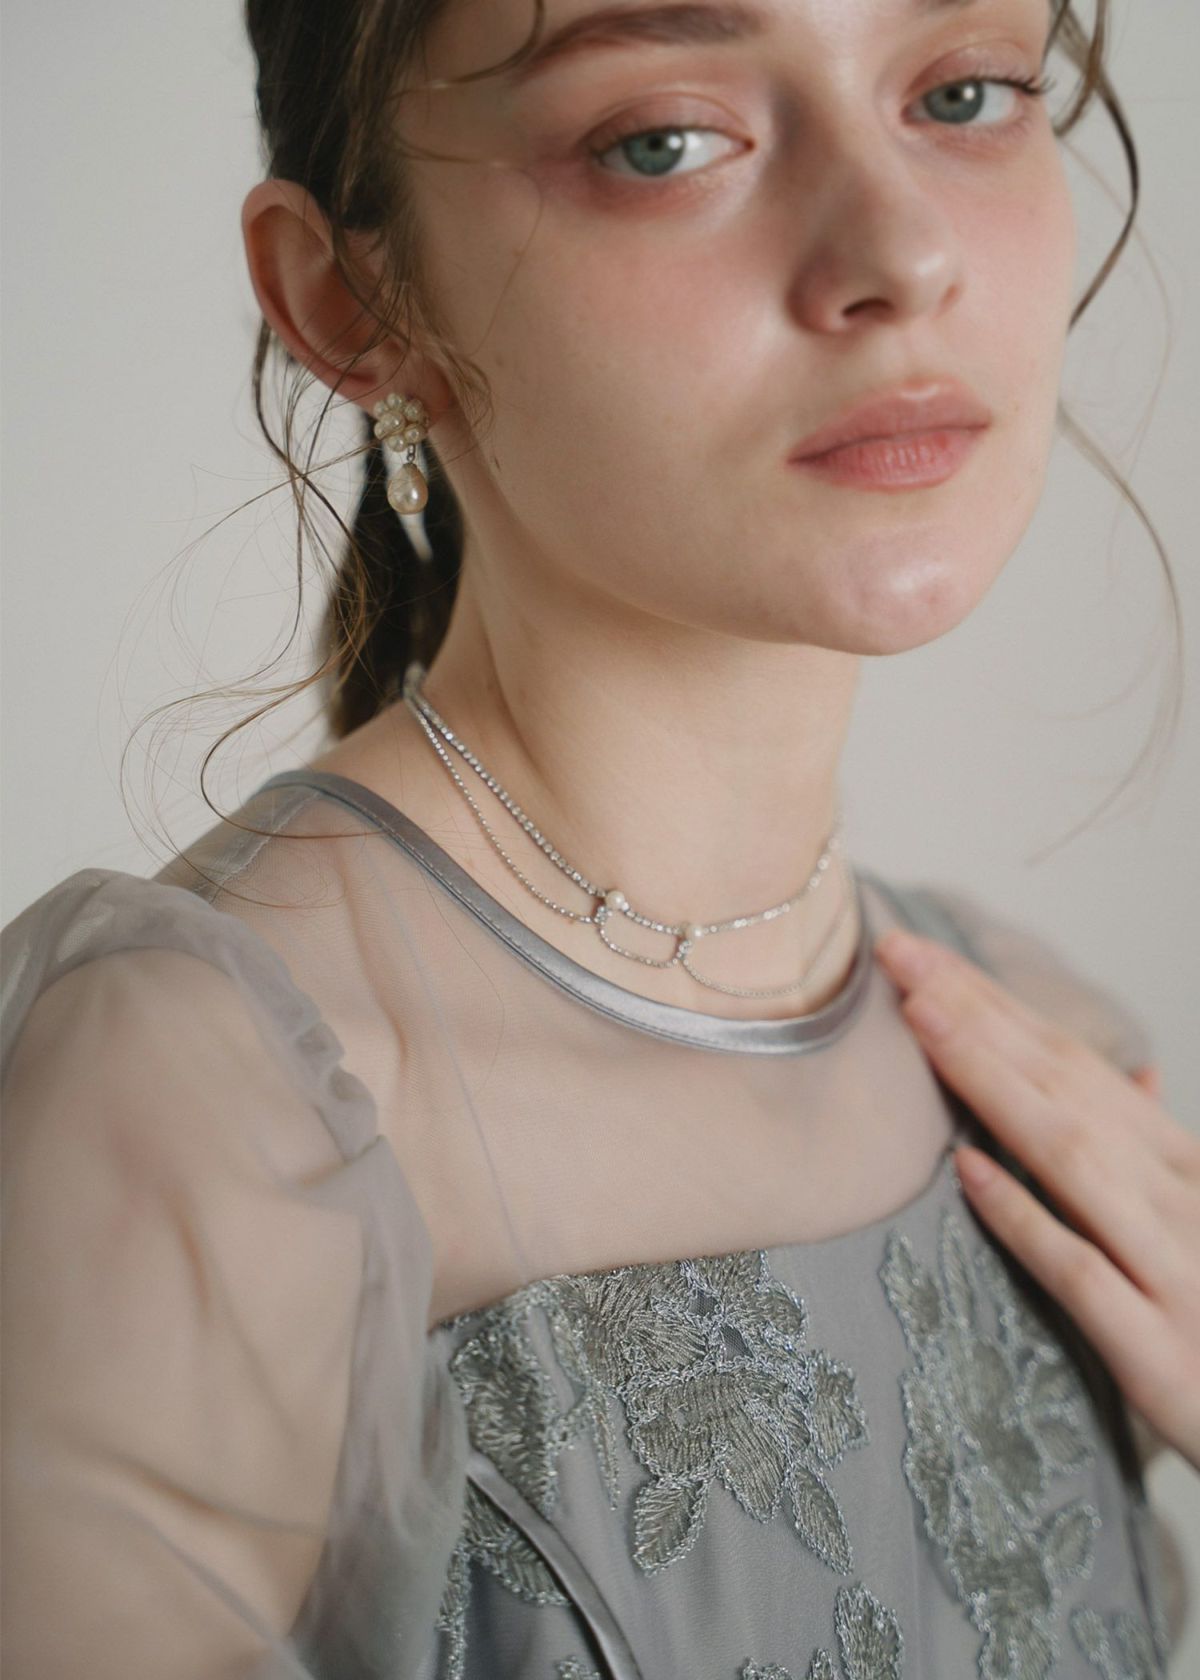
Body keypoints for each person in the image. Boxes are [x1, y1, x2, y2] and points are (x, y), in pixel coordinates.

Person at [1, 1, 1196, 1675]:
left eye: (965, 92)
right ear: (348, 299)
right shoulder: (205, 1107)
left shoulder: (1048, 1074)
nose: (902, 255)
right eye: (664, 142)